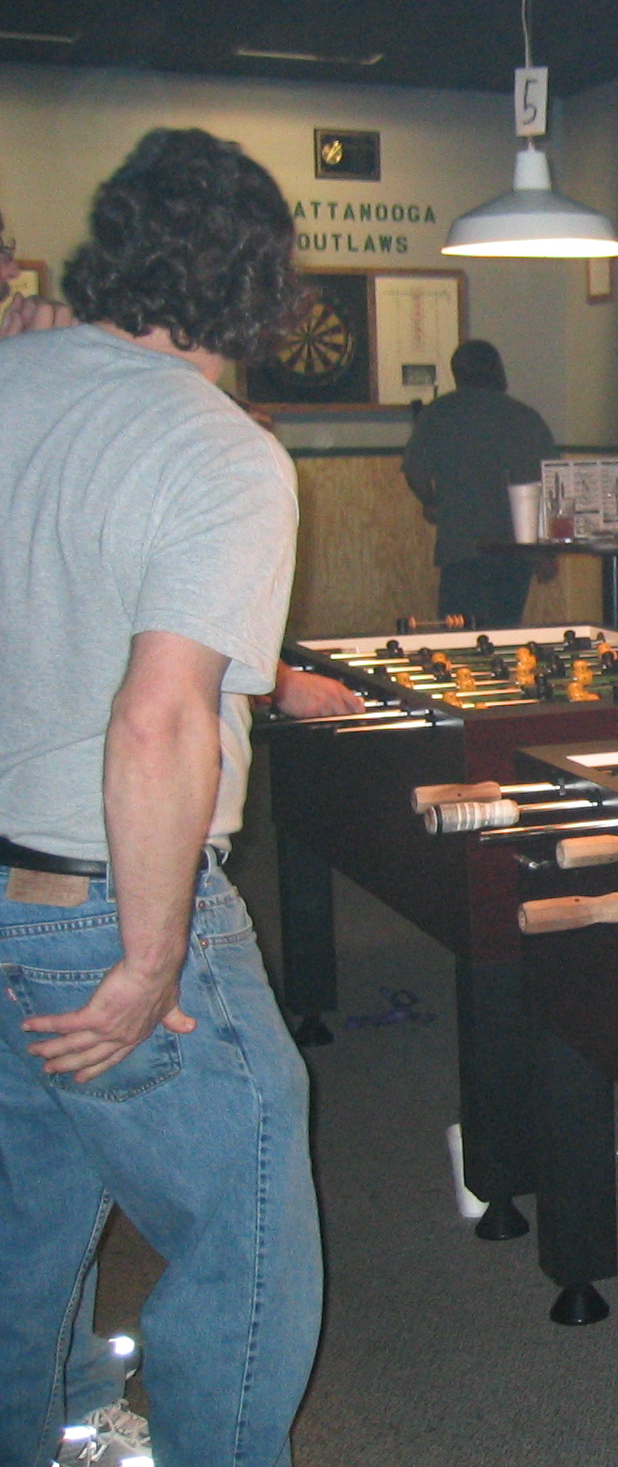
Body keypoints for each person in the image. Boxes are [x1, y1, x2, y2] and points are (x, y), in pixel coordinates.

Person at [0, 128, 324, 1467]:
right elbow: (161, 721)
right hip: (100, 907)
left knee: (27, 1233)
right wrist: (148, 956)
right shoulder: (223, 451)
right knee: (246, 1248)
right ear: (260, 287)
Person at [402, 338, 557, 628]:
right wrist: (545, 552)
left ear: (457, 374)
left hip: (461, 549)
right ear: (497, 370)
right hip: (515, 550)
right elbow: (549, 486)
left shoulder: (437, 414)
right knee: (505, 634)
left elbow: (415, 472)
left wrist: (431, 502)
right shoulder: (524, 417)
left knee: (458, 638)